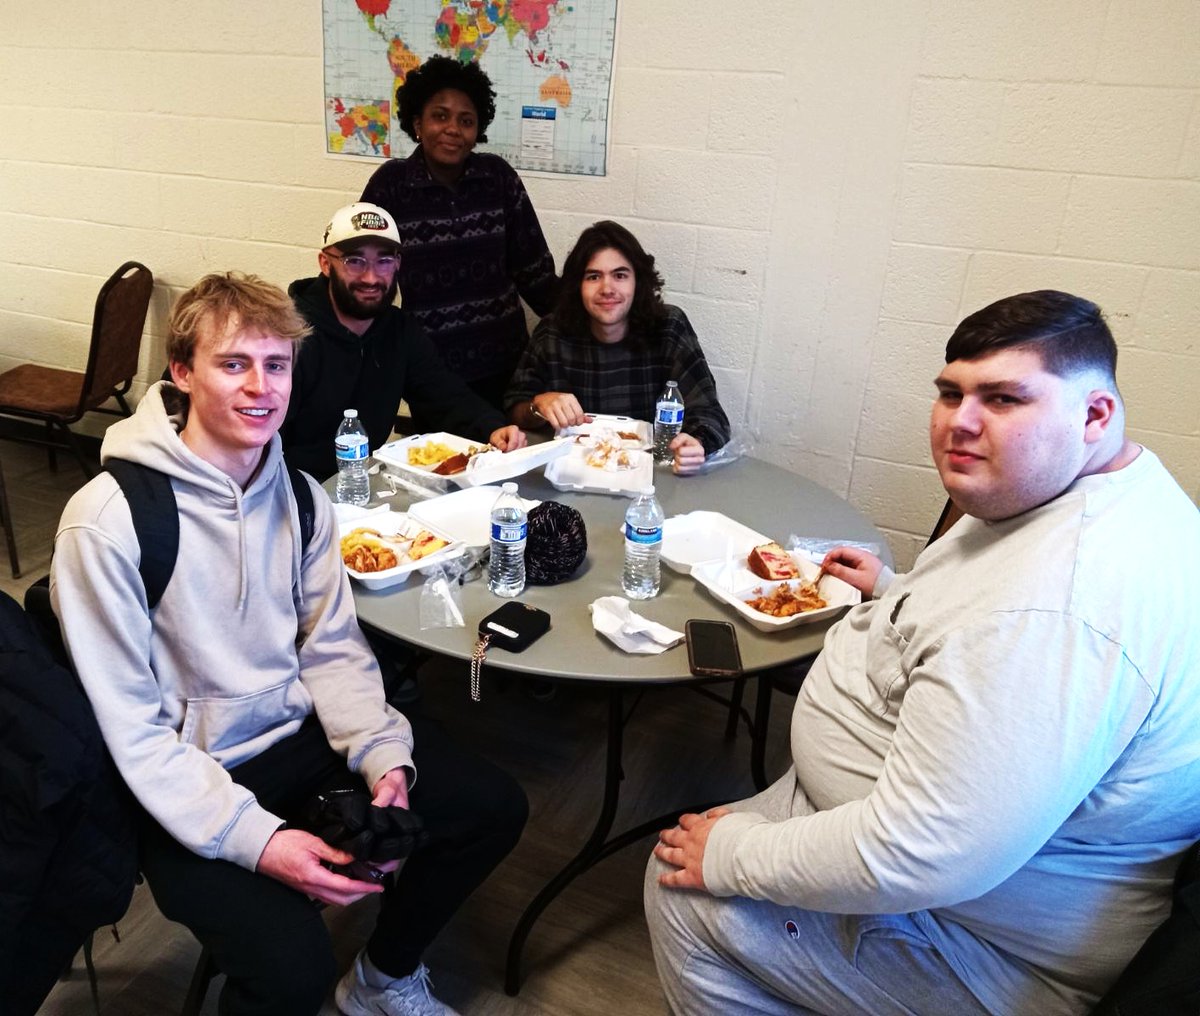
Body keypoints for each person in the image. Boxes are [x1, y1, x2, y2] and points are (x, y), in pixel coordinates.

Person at [644, 290, 1200, 1015]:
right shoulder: (1066, 491)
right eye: (950, 393)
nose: (959, 422)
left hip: (984, 944)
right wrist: (893, 590)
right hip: (931, 849)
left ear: (1094, 414)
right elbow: (984, 625)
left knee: (680, 895)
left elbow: (919, 853)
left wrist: (732, 857)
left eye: (1003, 398)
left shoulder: (1060, 610)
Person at [51, 272, 528, 1016]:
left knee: (491, 807)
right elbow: (133, 732)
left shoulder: (303, 499)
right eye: (233, 363)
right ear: (182, 372)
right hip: (184, 773)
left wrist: (382, 753)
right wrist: (261, 840)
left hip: (294, 734)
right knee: (292, 975)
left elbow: (332, 650)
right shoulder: (108, 521)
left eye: (276, 365)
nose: (260, 387)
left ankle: (383, 978)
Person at [360, 56, 558, 415]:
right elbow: (365, 272)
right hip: (431, 371)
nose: (453, 129)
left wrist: (595, 326)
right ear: (417, 123)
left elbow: (536, 274)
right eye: (440, 116)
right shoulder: (391, 186)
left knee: (508, 449)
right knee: (440, 452)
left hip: (507, 366)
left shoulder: (498, 178)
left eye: (466, 121)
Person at [281, 201, 526, 480]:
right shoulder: (289, 335)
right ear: (326, 264)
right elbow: (262, 441)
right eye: (355, 261)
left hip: (365, 482)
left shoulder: (399, 330)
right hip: (292, 487)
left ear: (397, 263)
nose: (371, 277)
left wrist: (492, 427)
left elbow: (444, 395)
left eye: (384, 261)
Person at [505, 220, 731, 475]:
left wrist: (697, 443)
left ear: (638, 283)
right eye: (593, 277)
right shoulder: (552, 331)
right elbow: (514, 409)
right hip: (569, 472)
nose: (607, 289)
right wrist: (538, 405)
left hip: (647, 474)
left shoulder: (668, 327)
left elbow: (709, 412)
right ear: (578, 286)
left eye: (620, 275)